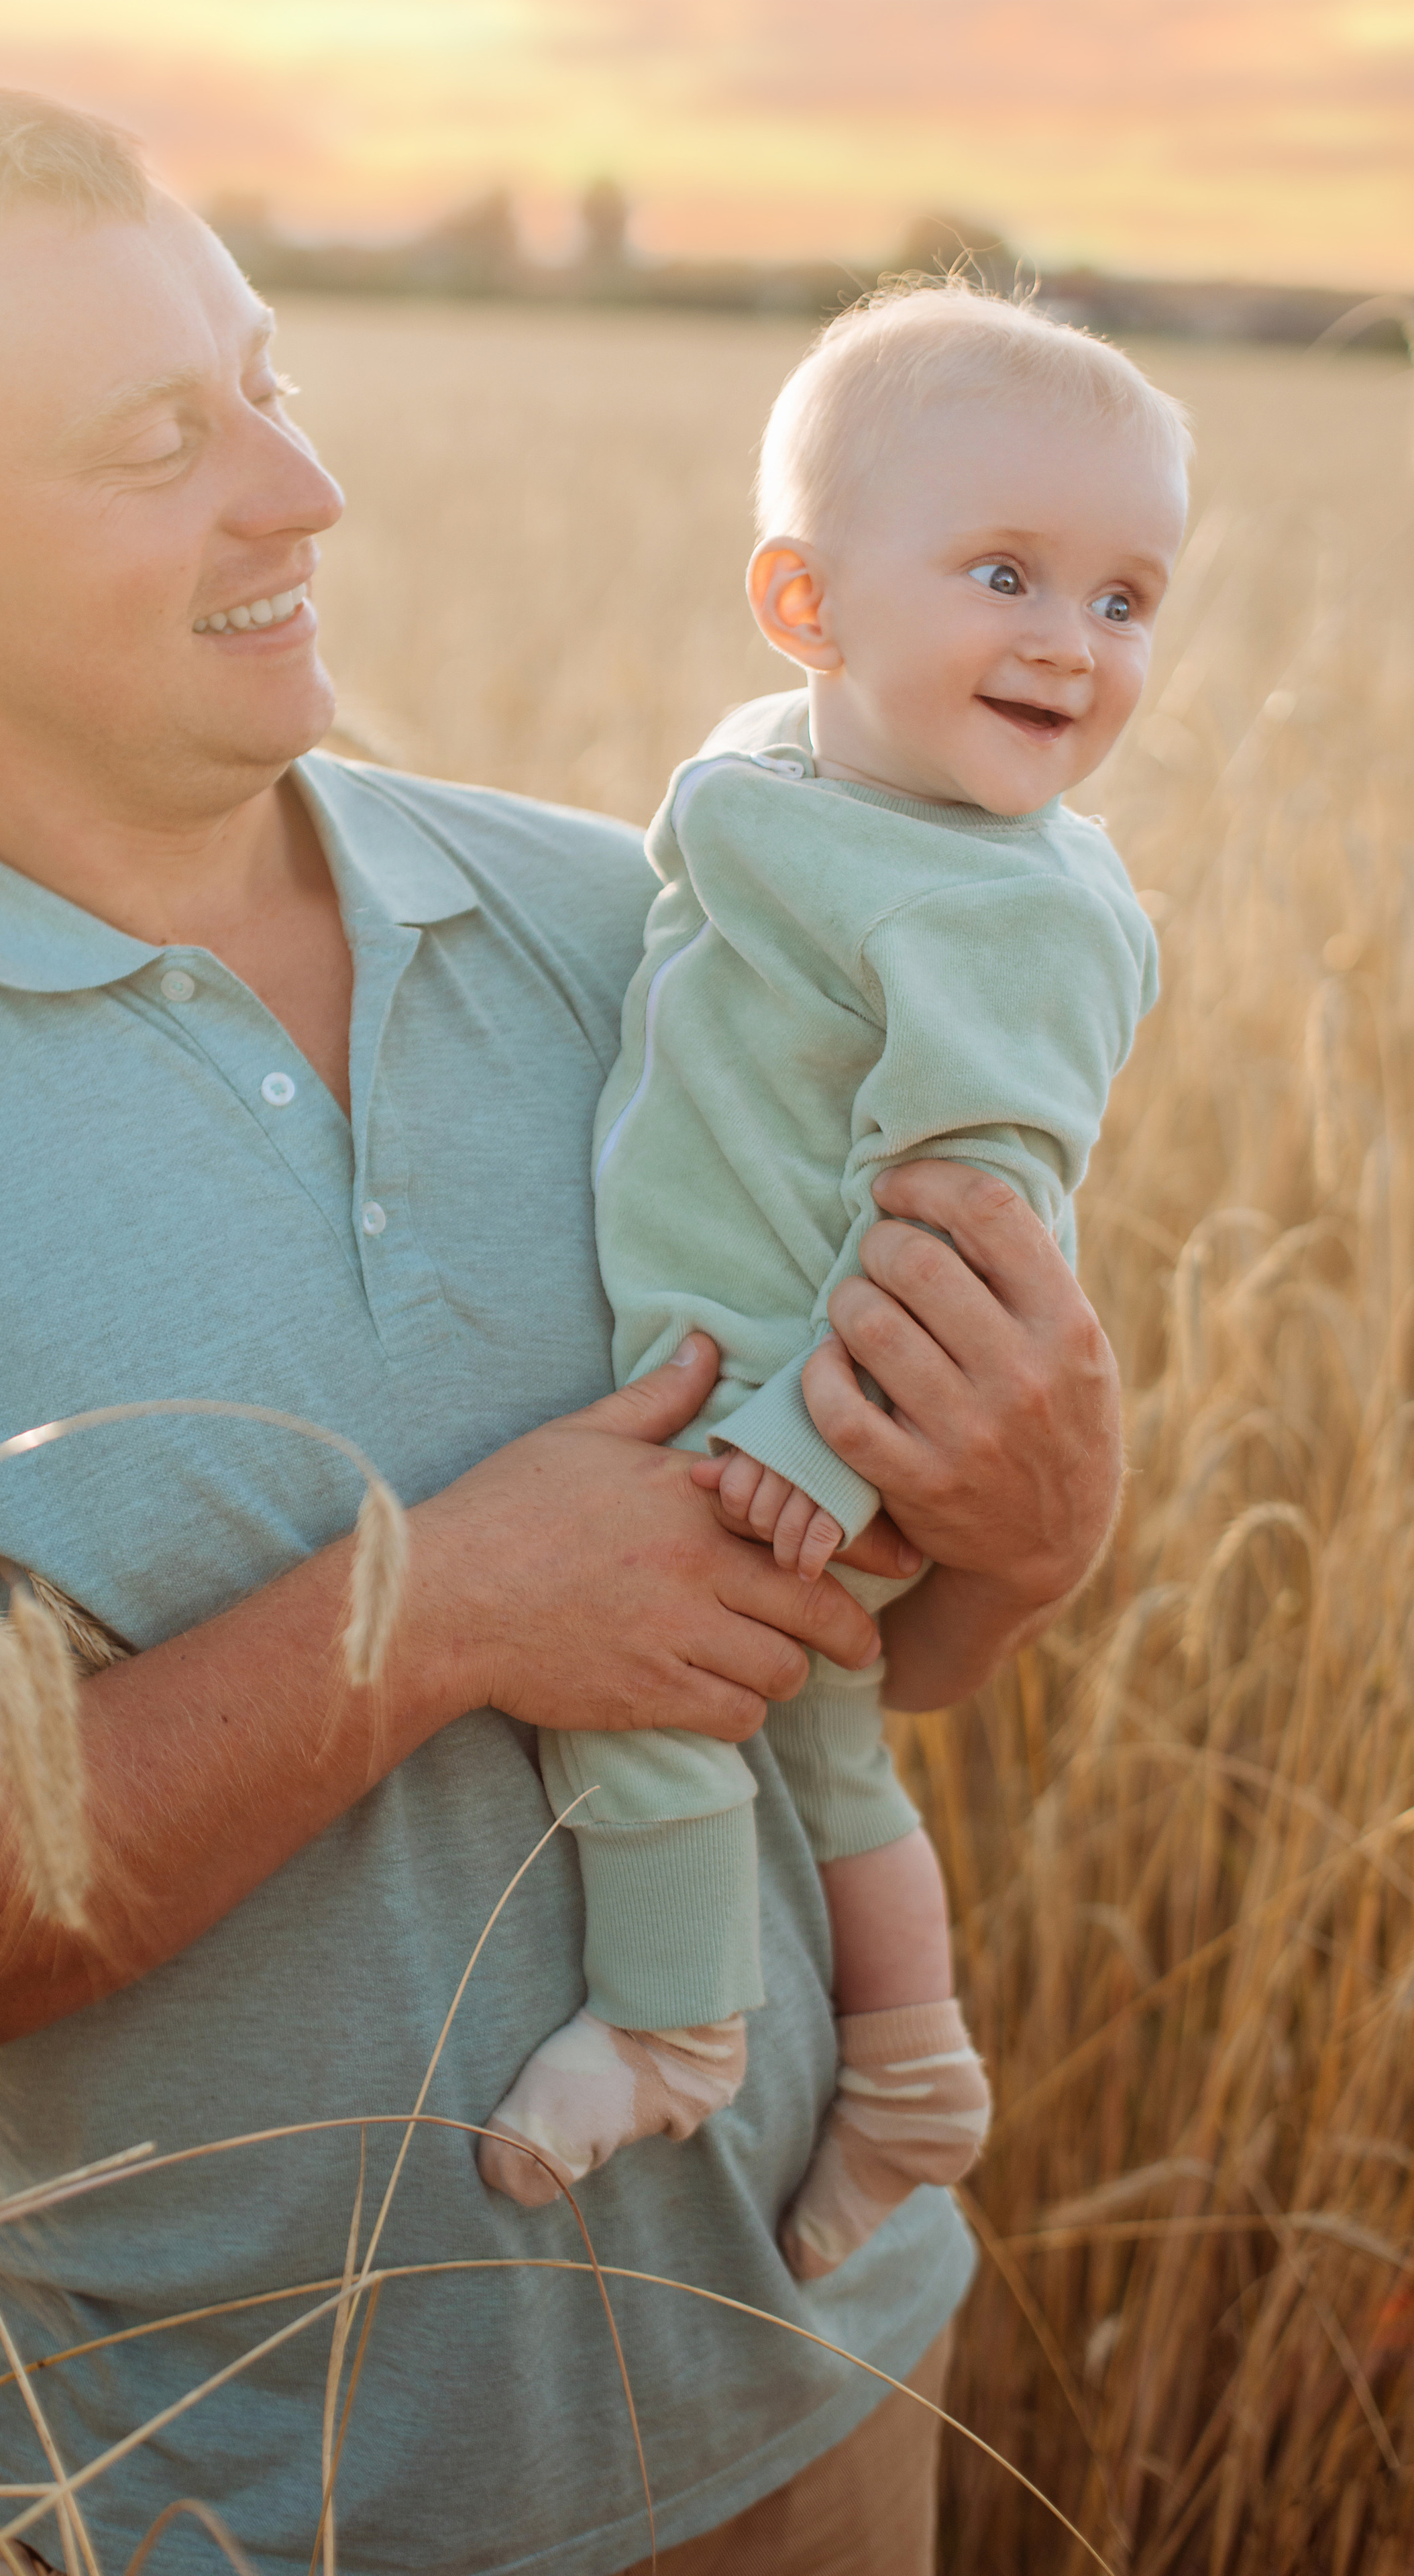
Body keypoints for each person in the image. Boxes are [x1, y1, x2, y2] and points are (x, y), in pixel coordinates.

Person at [0, 89, 1126, 2576]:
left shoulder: (645, 925)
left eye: (268, 380)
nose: (302, 489)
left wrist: (1038, 1525)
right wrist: (435, 1611)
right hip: (239, 2505)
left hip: (828, 2398)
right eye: (161, 440)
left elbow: (873, 1644)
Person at [481, 286, 1183, 2290]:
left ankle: (672, 2028)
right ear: (805, 609)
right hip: (762, 1390)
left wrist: (810, 1442)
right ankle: (914, 2070)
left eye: (1126, 599)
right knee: (828, 1748)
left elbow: (976, 1231)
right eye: (1005, 574)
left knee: (639, 1697)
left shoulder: (1002, 908)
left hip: (806, 1418)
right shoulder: (804, 780)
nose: (1071, 641)